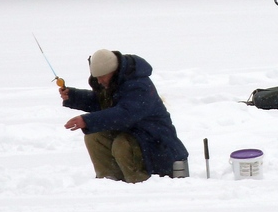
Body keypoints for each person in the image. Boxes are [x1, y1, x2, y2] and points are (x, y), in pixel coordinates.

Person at [60, 49, 188, 182]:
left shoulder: (139, 86)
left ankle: (140, 183)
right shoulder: (115, 82)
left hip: (157, 144)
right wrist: (73, 97)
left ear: (113, 71)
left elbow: (124, 114)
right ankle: (109, 182)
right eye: (96, 77)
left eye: (102, 77)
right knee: (94, 137)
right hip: (134, 136)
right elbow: (103, 103)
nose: (99, 81)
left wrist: (87, 120)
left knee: (122, 145)